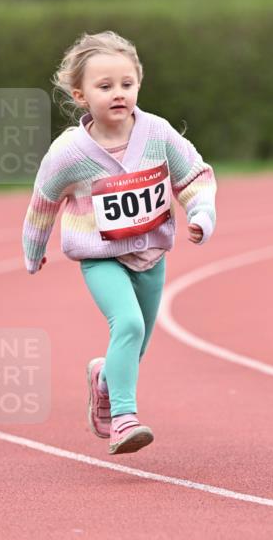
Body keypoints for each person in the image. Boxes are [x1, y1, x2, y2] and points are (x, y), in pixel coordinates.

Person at [22, 30, 217, 454]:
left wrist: (201, 212)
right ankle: (124, 419)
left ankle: (104, 379)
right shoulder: (69, 152)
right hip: (101, 257)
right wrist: (34, 247)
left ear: (139, 84)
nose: (118, 94)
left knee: (137, 342)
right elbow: (44, 200)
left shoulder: (158, 133)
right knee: (127, 325)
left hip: (151, 255)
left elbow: (195, 176)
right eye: (105, 86)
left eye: (126, 85)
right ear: (80, 95)